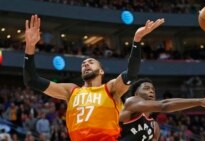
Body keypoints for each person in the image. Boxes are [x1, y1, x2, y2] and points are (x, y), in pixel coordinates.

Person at [23, 14, 165, 141]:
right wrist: (29, 47)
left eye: (91, 62)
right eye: (83, 64)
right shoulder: (71, 91)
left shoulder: (110, 89)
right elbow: (32, 80)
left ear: (101, 71)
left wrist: (137, 39)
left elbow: (131, 74)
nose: (86, 64)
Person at [119, 78, 205, 141]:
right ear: (136, 94)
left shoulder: (154, 126)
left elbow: (165, 103)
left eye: (152, 89)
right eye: (146, 88)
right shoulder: (131, 102)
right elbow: (164, 105)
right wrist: (200, 101)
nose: (151, 91)